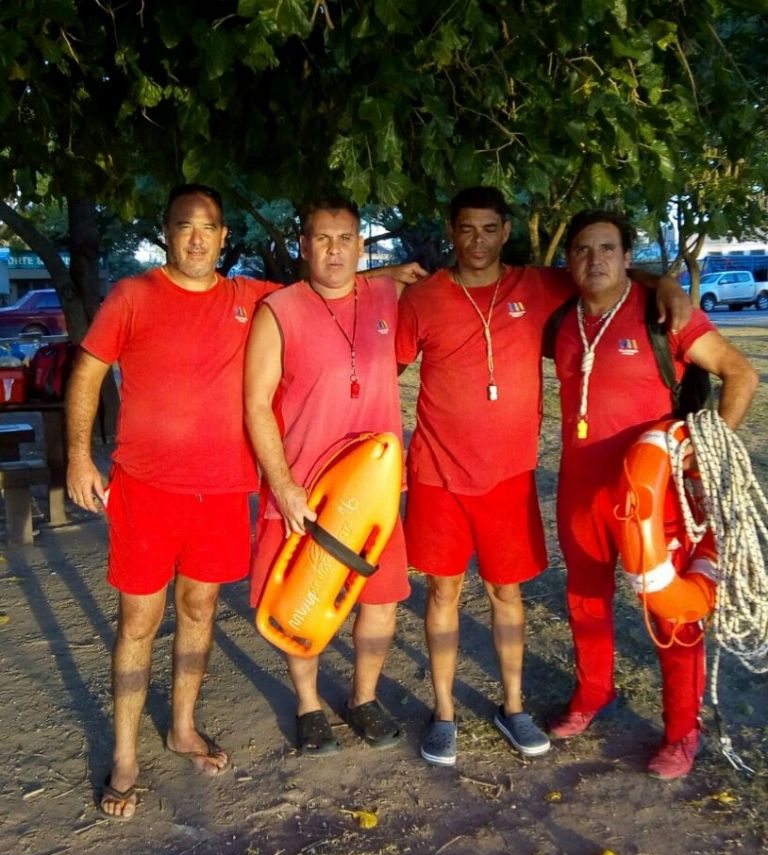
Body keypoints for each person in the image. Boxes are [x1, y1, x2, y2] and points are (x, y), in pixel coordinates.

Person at [395, 186, 690, 769]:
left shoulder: (538, 285)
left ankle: (513, 706)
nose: (476, 241)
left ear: (506, 232)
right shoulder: (423, 298)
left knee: (509, 593)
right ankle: (445, 713)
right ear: (451, 232)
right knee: (443, 592)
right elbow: (387, 371)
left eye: (488, 229)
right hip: (436, 472)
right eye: (465, 229)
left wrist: (668, 285)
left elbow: (609, 273)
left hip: (509, 475)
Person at [66, 183, 284, 819]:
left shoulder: (251, 298)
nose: (197, 237)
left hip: (220, 492)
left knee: (200, 606)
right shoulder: (134, 295)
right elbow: (88, 372)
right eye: (184, 226)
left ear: (223, 237)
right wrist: (79, 457)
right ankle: (126, 754)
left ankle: (181, 726)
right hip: (145, 490)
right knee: (138, 620)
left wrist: (391, 275)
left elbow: (327, 284)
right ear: (167, 233)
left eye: (208, 227)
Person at [547, 209, 758, 779]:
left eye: (608, 249)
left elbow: (741, 374)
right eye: (583, 249)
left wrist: (704, 452)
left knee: (672, 611)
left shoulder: (663, 316)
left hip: (655, 497)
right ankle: (594, 694)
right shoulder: (561, 317)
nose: (596, 260)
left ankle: (682, 731)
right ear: (569, 259)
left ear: (626, 255)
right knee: (585, 601)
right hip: (580, 491)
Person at [244, 198, 424, 757]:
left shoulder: (387, 296)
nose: (334, 249)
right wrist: (283, 485)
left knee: (380, 600)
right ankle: (308, 705)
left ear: (361, 247)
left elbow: (446, 284)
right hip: (305, 491)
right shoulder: (278, 309)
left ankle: (363, 698)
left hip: (372, 493)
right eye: (322, 239)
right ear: (303, 245)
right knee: (303, 602)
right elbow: (254, 405)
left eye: (345, 238)